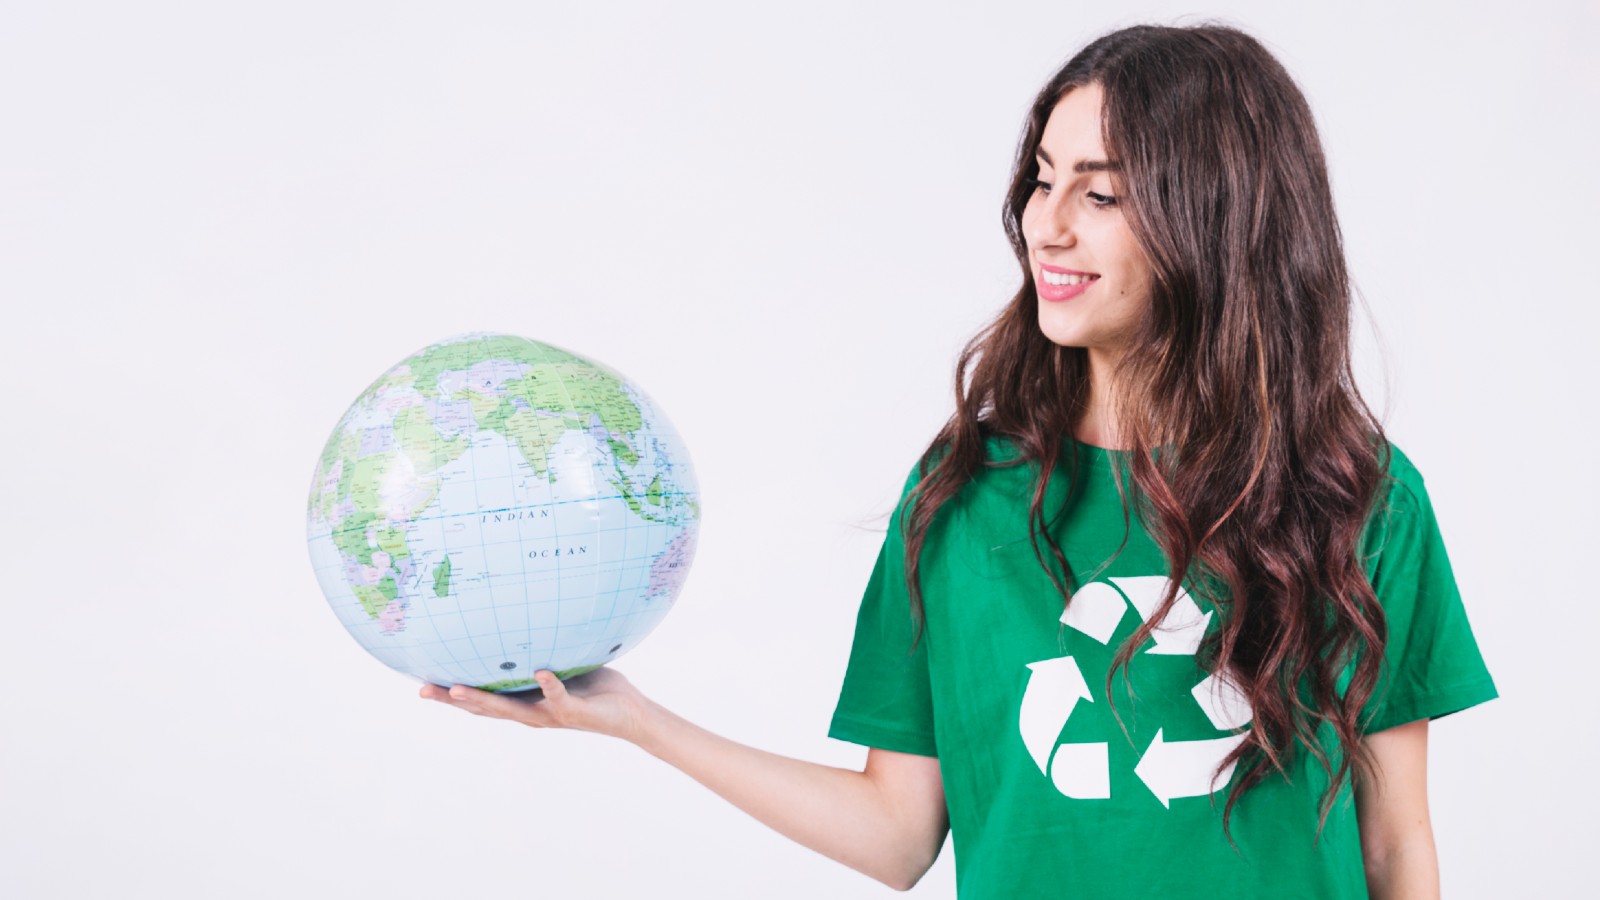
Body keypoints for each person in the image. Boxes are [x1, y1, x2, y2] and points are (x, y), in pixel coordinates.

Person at [420, 21, 1497, 899]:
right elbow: (897, 835)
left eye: (1103, 192)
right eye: (1042, 179)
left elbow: (1394, 850)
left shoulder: (1356, 499)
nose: (1048, 225)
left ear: (1217, 218)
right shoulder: (963, 495)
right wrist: (636, 719)